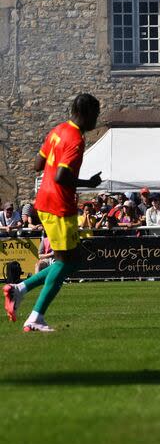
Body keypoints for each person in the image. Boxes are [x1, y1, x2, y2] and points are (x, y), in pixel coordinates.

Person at [3, 93, 102, 332]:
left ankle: (19, 290)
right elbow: (61, 176)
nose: (96, 121)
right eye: (96, 115)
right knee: (69, 261)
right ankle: (34, 316)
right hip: (59, 205)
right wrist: (89, 184)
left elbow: (38, 165)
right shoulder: (76, 139)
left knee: (67, 260)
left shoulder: (56, 130)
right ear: (87, 113)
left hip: (44, 202)